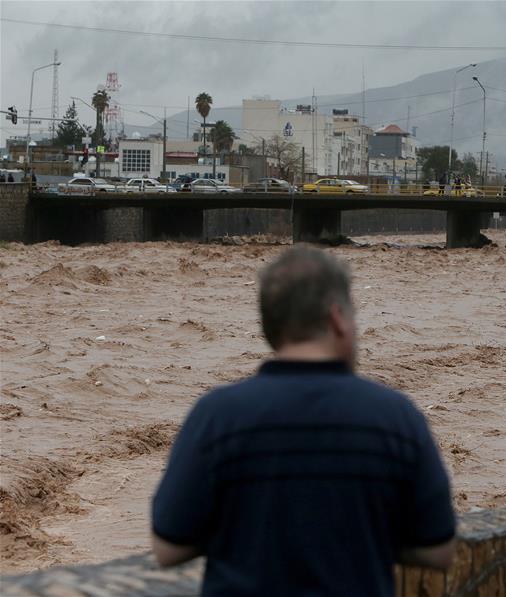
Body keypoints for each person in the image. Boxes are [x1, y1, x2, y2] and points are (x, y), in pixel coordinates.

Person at [151, 247, 457, 595]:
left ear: (271, 326)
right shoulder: (396, 417)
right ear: (338, 318)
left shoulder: (216, 415)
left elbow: (168, 547)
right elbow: (439, 548)